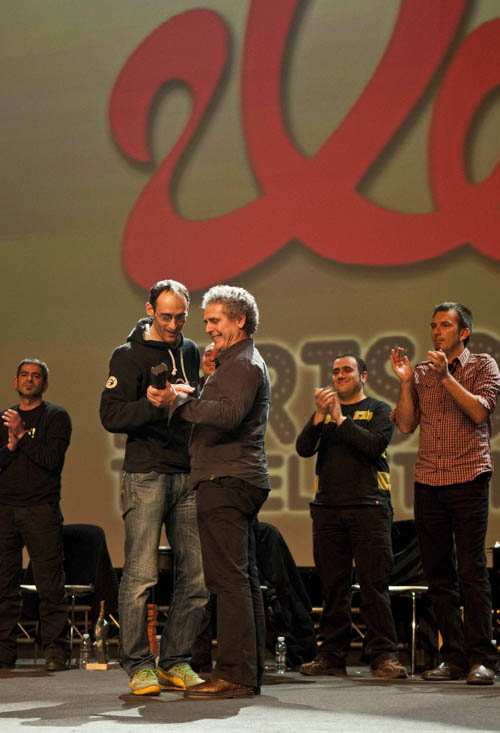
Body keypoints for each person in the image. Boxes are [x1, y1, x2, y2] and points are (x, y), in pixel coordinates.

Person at [147, 285, 270, 700]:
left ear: (239, 320)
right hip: (233, 477)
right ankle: (247, 672)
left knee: (228, 582)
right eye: (207, 321)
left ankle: (235, 675)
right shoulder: (233, 362)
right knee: (242, 580)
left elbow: (230, 415)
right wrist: (197, 390)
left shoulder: (243, 363)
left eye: (215, 320)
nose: (209, 328)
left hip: (227, 479)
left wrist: (178, 403)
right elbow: (223, 408)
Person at [100, 279, 208, 696]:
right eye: (166, 316)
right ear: (150, 310)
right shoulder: (127, 355)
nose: (174, 324)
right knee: (141, 575)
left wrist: (188, 398)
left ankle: (174, 659)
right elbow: (110, 415)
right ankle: (139, 665)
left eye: (181, 316)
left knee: (197, 575)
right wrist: (152, 405)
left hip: (187, 472)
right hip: (146, 473)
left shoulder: (191, 350)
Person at [390, 302, 500, 685]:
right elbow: (406, 425)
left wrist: (447, 378)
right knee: (438, 576)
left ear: (463, 332)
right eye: (433, 325)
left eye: (445, 325)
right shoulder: (422, 372)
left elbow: (480, 412)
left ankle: (482, 658)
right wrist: (407, 382)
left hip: (469, 477)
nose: (436, 332)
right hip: (429, 480)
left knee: (471, 571)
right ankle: (452, 657)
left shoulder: (482, 365)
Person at [296, 354, 407, 679]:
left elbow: (374, 445)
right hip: (328, 509)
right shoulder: (324, 414)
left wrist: (340, 420)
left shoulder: (378, 409)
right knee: (333, 587)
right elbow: (303, 448)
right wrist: (320, 415)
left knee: (374, 584)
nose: (340, 375)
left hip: (370, 507)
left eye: (347, 370)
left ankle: (384, 656)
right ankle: (331, 655)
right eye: (335, 371)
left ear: (364, 376)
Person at [0, 358, 72, 671]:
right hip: (4, 510)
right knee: (3, 585)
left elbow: (51, 460)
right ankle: (4, 651)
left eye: (36, 375)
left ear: (44, 383)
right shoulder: (3, 418)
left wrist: (22, 436)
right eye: (24, 375)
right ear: (15, 382)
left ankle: (55, 650)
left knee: (50, 585)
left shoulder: (56, 417)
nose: (29, 379)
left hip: (41, 509)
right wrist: (11, 445)